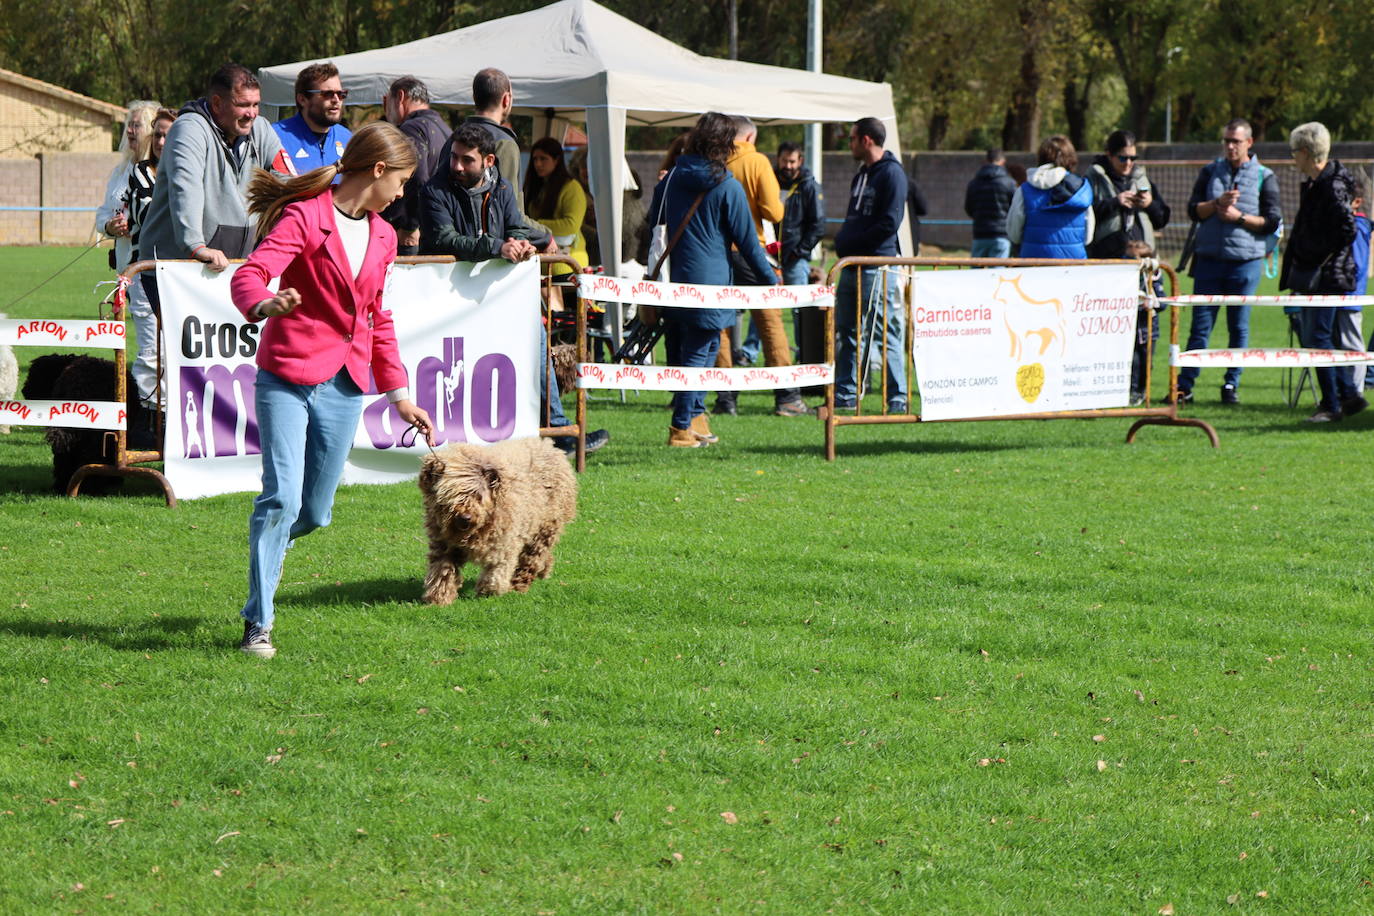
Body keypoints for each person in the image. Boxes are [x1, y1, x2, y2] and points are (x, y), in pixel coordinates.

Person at [228, 122, 436, 658]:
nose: (402, 194)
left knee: (315, 513)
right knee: (281, 497)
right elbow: (251, 274)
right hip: (287, 375)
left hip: (346, 383)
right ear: (379, 170)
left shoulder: (385, 236)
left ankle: (266, 546)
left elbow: (377, 318)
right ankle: (259, 621)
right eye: (403, 181)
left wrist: (399, 396)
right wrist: (263, 304)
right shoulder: (305, 215)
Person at [421, 124, 607, 455]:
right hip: (449, 299)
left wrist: (525, 241)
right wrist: (499, 247)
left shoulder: (503, 188)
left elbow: (514, 225)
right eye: (454, 158)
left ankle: (559, 432)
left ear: (489, 160)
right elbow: (444, 239)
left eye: (467, 160)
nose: (458, 166)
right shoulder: (435, 190)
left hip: (501, 294)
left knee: (537, 343)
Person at [648, 111, 775, 447]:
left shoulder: (671, 178)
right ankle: (680, 428)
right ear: (725, 145)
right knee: (699, 353)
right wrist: (771, 283)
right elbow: (748, 243)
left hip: (672, 281)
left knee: (699, 350)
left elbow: (652, 222)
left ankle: (694, 419)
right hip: (711, 283)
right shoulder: (727, 186)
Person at [139, 63, 288, 280]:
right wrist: (195, 246)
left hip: (230, 268)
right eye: (243, 104)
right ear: (217, 103)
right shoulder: (189, 129)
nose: (252, 113)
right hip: (178, 269)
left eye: (256, 104)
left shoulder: (261, 129)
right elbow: (186, 189)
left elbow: (287, 180)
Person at [1177, 118, 1282, 406]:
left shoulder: (1265, 176)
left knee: (1239, 327)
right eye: (1226, 140)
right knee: (1200, 327)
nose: (1230, 146)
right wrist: (1216, 205)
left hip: (1245, 263)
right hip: (1209, 260)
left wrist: (1239, 218)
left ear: (1249, 143)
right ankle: (1184, 386)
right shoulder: (1210, 171)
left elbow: (1272, 221)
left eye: (1236, 141)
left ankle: (1230, 383)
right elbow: (1192, 211)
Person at [712, 115, 808, 418]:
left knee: (722, 327)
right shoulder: (757, 162)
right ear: (751, 138)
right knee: (770, 322)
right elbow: (773, 211)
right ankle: (787, 397)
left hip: (719, 253)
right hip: (752, 251)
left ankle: (726, 398)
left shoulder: (715, 162)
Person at [1281, 121, 1363, 422]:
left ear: (1305, 152)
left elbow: (1347, 229)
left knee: (1318, 336)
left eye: (1294, 152)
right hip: (1319, 275)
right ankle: (1347, 396)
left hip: (1329, 276)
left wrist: (1317, 257)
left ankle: (1335, 402)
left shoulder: (1332, 184)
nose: (1293, 159)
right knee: (1317, 335)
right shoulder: (1320, 183)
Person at [832, 116, 908, 412]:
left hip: (877, 264)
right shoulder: (861, 174)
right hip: (851, 265)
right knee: (848, 330)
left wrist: (855, 244)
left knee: (885, 331)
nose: (849, 144)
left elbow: (889, 222)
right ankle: (847, 392)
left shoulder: (892, 174)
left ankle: (897, 396)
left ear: (866, 140)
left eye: (852, 139)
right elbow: (855, 217)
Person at [124, 107, 177, 415]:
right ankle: (147, 417)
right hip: (146, 273)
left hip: (180, 273)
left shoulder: (195, 170)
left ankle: (172, 417)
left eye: (169, 134)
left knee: (177, 349)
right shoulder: (142, 171)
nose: (161, 141)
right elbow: (147, 216)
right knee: (151, 351)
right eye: (157, 134)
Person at [380, 75, 451, 255]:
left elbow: (417, 179)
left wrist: (410, 225)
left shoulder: (411, 128)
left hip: (411, 235)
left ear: (401, 98)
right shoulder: (445, 129)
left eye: (386, 102)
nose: (385, 109)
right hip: (439, 229)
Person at [774, 141, 825, 359]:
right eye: (784, 160)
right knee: (764, 305)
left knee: (798, 309)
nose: (788, 165)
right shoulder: (770, 180)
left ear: (800, 161)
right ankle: (749, 351)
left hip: (795, 258)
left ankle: (803, 351)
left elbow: (818, 225)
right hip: (768, 256)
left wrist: (799, 251)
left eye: (792, 161)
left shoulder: (809, 185)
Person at [96, 100, 159, 273]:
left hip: (150, 266)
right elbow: (104, 212)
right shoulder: (120, 171)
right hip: (124, 267)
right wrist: (109, 226)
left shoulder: (160, 171)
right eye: (129, 125)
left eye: (136, 125)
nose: (129, 130)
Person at [1087, 130, 1170, 260]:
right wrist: (1115, 202)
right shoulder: (1094, 179)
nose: (1128, 163)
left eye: (1133, 158)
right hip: (1107, 259)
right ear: (1109, 155)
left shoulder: (1142, 179)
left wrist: (1149, 204)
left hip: (1144, 259)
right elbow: (1085, 217)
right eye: (1123, 158)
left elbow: (1161, 220)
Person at [1007, 135, 1094, 259]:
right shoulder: (1081, 189)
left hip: (1033, 264)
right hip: (1073, 266)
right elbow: (1088, 236)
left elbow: (1013, 233)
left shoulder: (1024, 190)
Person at [524, 137, 589, 274]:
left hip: (570, 262)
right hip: (543, 262)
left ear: (557, 160)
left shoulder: (572, 187)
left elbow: (571, 225)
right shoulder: (539, 187)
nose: (538, 164)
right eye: (535, 159)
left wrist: (536, 225)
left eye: (543, 159)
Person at [272, 62, 352, 172]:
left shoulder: (347, 138)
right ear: (302, 100)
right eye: (327, 94)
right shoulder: (275, 137)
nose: (336, 100)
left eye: (341, 94)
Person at [1124, 239, 1164, 405]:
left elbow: (1164, 301)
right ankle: (1131, 391)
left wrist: (1153, 303)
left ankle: (1143, 390)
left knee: (1146, 361)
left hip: (1148, 330)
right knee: (1133, 361)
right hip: (1130, 328)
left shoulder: (1154, 280)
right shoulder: (1126, 279)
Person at [964, 148, 1017, 258]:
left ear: (986, 160)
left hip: (979, 234)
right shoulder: (1009, 183)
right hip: (1001, 234)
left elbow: (969, 208)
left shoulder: (974, 183)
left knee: (974, 273)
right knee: (997, 273)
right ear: (1003, 162)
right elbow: (1015, 209)